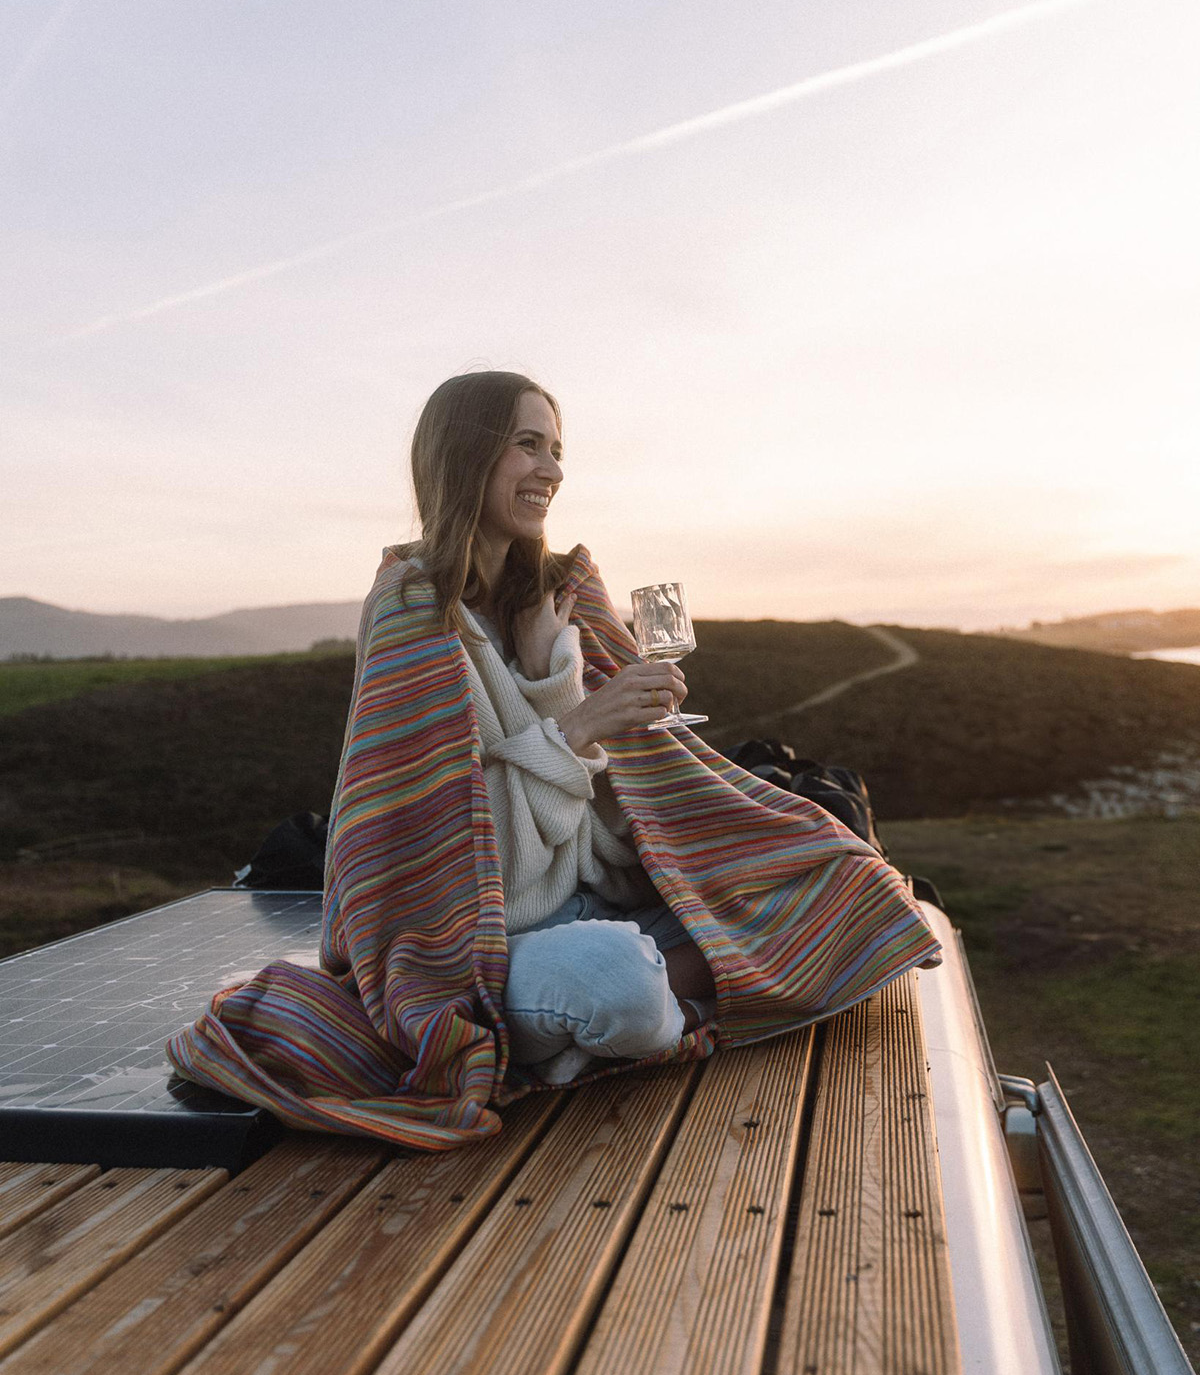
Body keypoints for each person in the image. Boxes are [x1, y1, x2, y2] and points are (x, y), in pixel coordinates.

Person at [167, 370, 940, 1149]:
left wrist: (556, 679)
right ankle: (647, 1003)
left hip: (594, 906)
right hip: (481, 948)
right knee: (617, 983)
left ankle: (569, 1041)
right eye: (528, 446)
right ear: (465, 454)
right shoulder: (412, 611)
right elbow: (459, 855)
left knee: (843, 873)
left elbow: (606, 824)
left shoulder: (558, 599)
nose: (553, 471)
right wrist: (578, 722)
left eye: (558, 451)